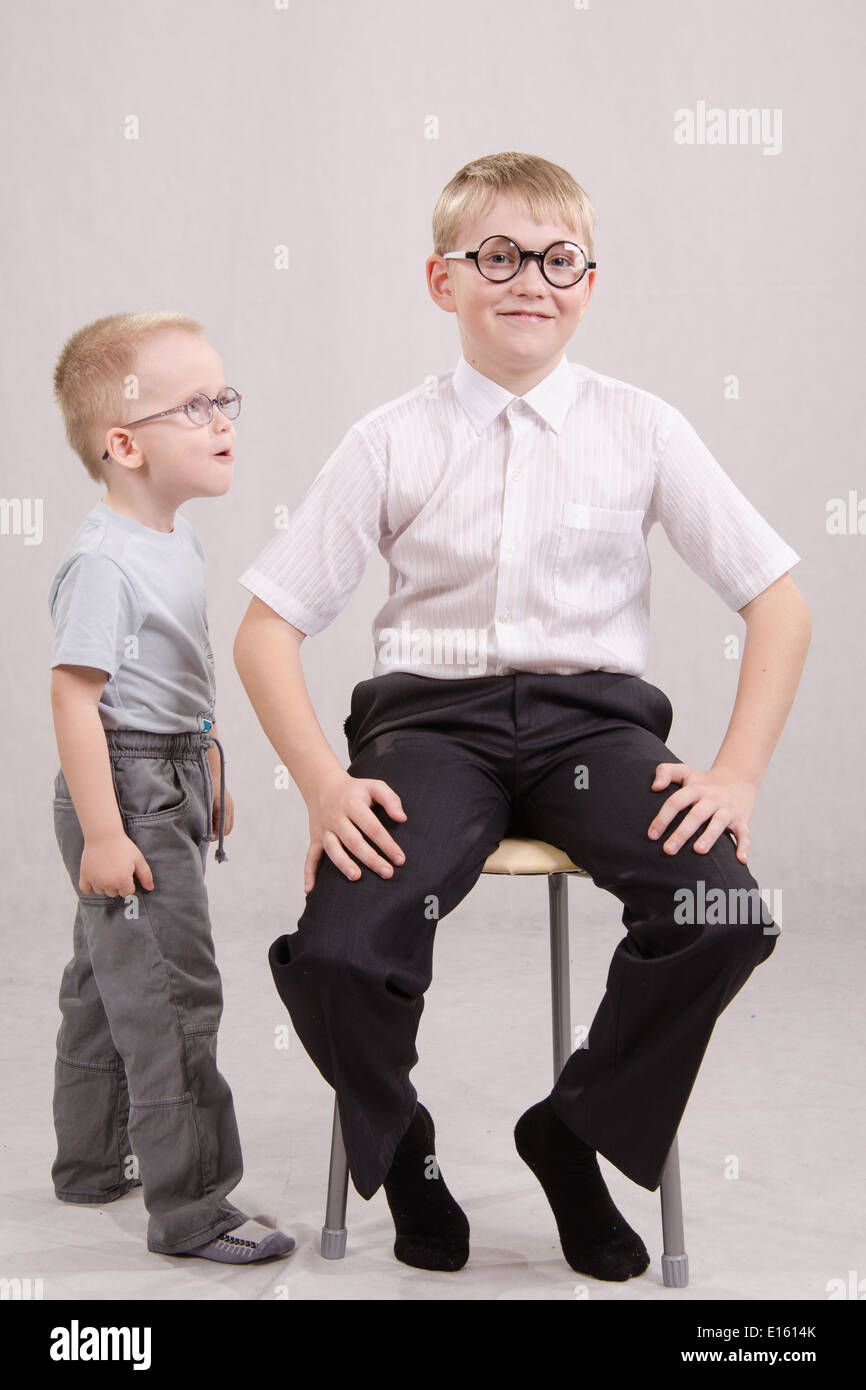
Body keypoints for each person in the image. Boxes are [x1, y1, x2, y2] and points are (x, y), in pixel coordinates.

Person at [233, 152, 811, 1280]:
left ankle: (571, 1132)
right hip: (428, 730)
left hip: (591, 732)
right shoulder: (388, 438)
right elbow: (266, 628)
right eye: (496, 256)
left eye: (555, 260)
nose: (527, 280)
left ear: (587, 283)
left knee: (723, 910)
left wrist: (735, 773)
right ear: (442, 279)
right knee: (343, 946)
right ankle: (402, 1145)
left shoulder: (640, 428)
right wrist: (319, 781)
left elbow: (777, 604)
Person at [48, 311, 295, 1263]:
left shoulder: (171, 539)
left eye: (223, 397)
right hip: (126, 787)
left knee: (105, 982)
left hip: (172, 772)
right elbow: (77, 703)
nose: (222, 417)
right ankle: (193, 1206)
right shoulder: (104, 560)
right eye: (193, 405)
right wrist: (108, 835)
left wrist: (213, 765)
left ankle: (90, 1164)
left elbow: (180, 673)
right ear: (123, 444)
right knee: (172, 994)